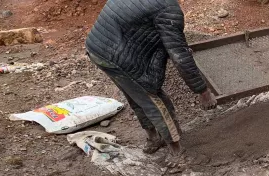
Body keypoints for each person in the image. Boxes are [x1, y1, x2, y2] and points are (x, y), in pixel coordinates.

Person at [85, 0, 217, 167]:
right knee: (153, 100)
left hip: (98, 48)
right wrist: (203, 91)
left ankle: (154, 138)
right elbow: (179, 56)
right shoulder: (168, 9)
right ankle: (177, 154)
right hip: (117, 55)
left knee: (134, 94)